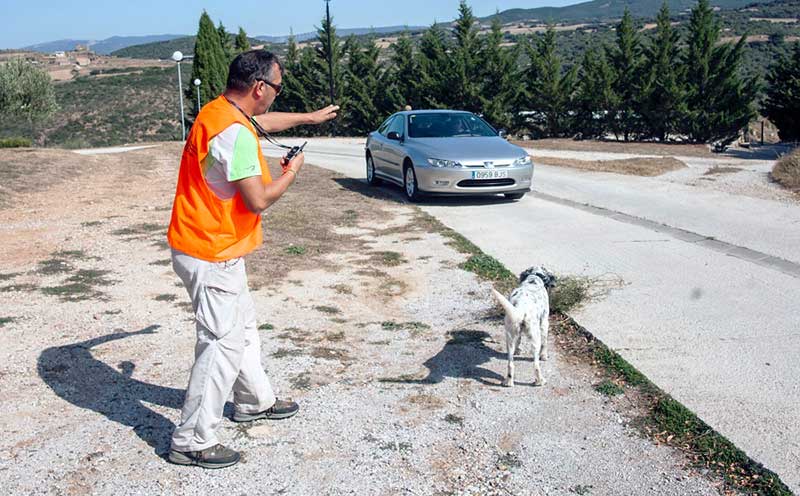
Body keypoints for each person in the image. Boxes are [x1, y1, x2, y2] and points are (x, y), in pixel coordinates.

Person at [166, 49, 337, 469]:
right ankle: (192, 440)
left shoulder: (218, 111)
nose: (277, 97)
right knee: (221, 342)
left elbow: (260, 122)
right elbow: (258, 200)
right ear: (260, 87)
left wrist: (309, 118)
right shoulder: (235, 135)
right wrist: (292, 172)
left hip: (213, 245)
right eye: (277, 88)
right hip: (211, 250)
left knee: (242, 328)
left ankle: (254, 401)